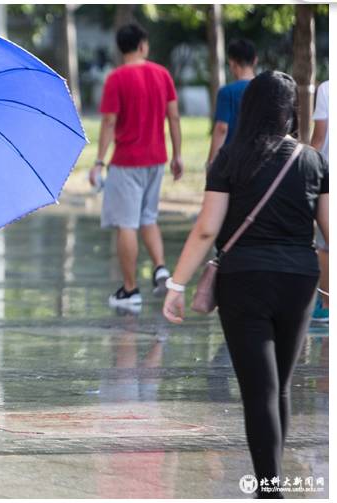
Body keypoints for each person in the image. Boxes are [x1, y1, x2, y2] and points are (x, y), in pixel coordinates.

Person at [162, 71, 328, 498]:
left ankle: (269, 490)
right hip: (299, 279)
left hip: (244, 281)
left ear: (249, 108)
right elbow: (330, 230)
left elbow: (205, 230)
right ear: (290, 112)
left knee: (259, 390)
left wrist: (177, 285)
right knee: (279, 387)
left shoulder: (230, 158)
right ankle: (271, 483)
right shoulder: (312, 160)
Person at [89, 23, 184, 308]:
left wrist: (98, 161)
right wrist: (178, 155)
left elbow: (108, 121)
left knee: (126, 224)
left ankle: (130, 291)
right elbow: (174, 117)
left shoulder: (116, 79)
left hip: (127, 162)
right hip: (157, 160)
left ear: (121, 48)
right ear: (143, 45)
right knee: (148, 218)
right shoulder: (162, 74)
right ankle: (160, 267)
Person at [205, 39, 257, 168]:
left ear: (232, 62)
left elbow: (222, 128)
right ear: (255, 60)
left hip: (233, 160)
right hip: (259, 158)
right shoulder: (267, 89)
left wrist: (211, 162)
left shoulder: (227, 92)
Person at [310, 80, 329, 323]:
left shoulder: (327, 88)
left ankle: (326, 302)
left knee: (326, 242)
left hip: (329, 174)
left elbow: (319, 137)